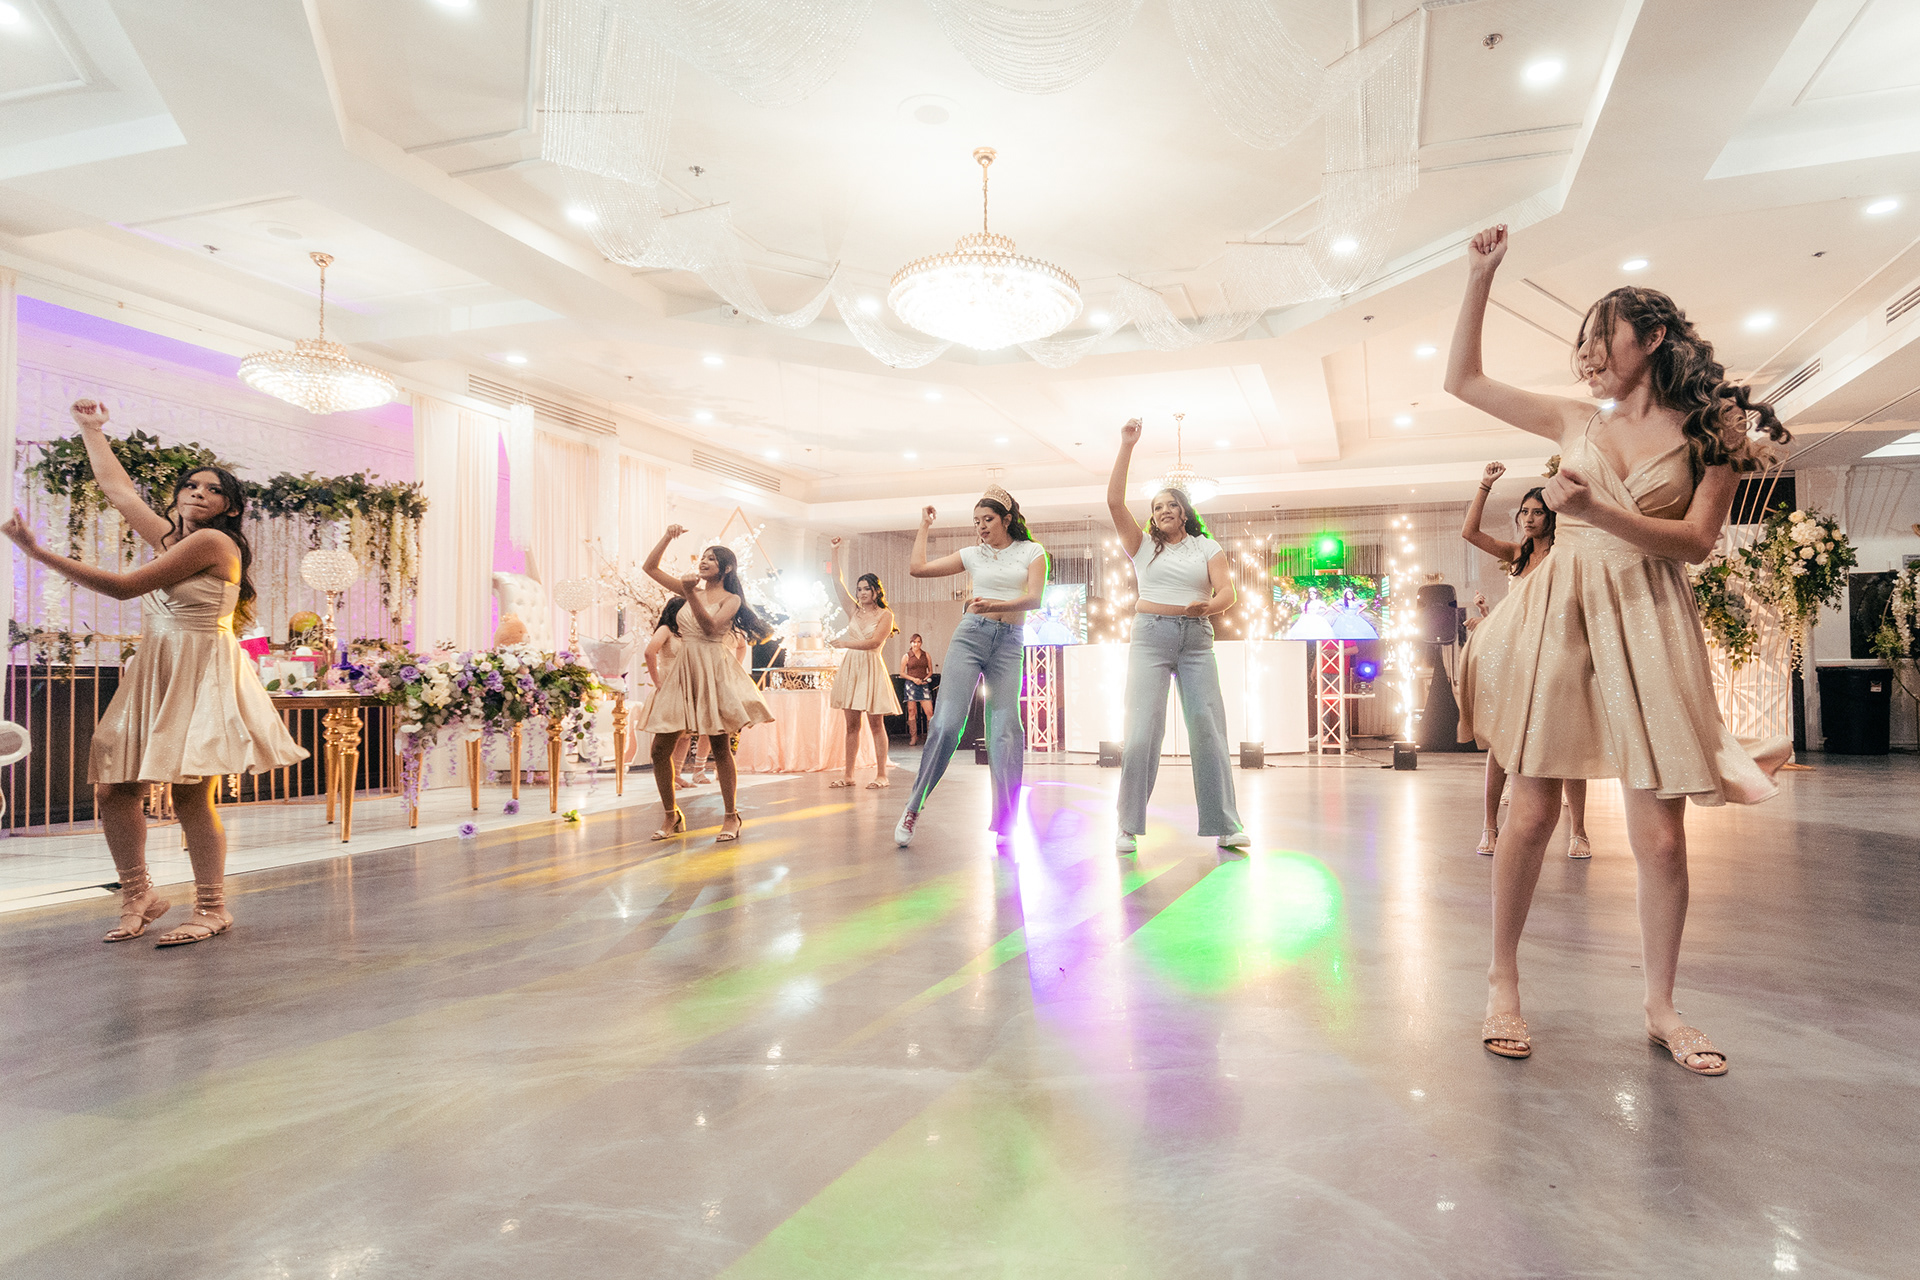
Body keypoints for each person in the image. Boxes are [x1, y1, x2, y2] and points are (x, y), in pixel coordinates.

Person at [1446, 223, 1791, 1074]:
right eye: (1581, 346)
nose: (1587, 358)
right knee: (1531, 814)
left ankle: (1662, 1006)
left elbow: (1698, 542)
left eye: (1602, 340)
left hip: (1649, 614)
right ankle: (1502, 980)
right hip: (1561, 612)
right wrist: (1480, 277)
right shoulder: (1573, 419)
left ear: (1655, 337)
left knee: (1662, 839)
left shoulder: (1714, 431)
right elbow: (1463, 380)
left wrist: (1597, 512)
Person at [1, 399, 307, 946]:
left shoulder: (212, 542)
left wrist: (36, 552)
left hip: (200, 668)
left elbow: (124, 588)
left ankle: (212, 907)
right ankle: (139, 894)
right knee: (114, 789)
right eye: (192, 485)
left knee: (190, 795)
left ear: (230, 508)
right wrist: (92, 429)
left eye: (213, 489)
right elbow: (119, 491)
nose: (198, 492)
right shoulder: (173, 538)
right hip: (158, 666)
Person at [1105, 418, 1247, 854]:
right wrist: (1127, 445)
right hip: (1150, 637)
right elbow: (1114, 501)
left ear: (1184, 511)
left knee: (1208, 729)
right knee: (1142, 732)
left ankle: (1226, 825)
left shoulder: (1207, 547)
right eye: (1157, 506)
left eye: (1171, 505)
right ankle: (1127, 825)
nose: (1163, 510)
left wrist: (1210, 607)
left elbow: (1227, 592)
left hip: (1196, 640)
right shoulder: (1142, 546)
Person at [894, 486, 1048, 847]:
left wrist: (996, 603)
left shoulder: (1032, 552)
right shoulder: (972, 554)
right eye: (976, 521)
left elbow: (1034, 599)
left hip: (1009, 643)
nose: (981, 526)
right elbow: (918, 569)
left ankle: (1006, 822)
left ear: (1007, 519)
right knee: (947, 724)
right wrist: (924, 526)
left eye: (988, 519)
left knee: (1005, 731)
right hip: (970, 637)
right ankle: (913, 806)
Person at [1458, 461, 1593, 860]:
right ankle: (1489, 825)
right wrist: (1484, 485)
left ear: (1552, 517)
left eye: (1537, 512)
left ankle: (1579, 830)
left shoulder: (1566, 555)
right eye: (1525, 512)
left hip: (1557, 654)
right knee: (1501, 741)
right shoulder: (1517, 553)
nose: (1529, 518)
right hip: (1515, 656)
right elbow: (1470, 533)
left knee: (1568, 741)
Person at [641, 528, 774, 843]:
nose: (703, 562)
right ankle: (671, 815)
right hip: (684, 669)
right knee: (659, 749)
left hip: (713, 669)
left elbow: (711, 627)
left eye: (711, 559)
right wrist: (667, 537)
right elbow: (650, 568)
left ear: (725, 568)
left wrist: (689, 593)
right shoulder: (691, 590)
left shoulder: (731, 599)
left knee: (719, 746)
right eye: (703, 557)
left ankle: (731, 816)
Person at [825, 539, 901, 789]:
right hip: (851, 669)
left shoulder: (886, 615)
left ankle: (881, 775)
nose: (862, 593)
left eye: (866, 588)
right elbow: (836, 581)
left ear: (876, 591)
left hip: (871, 668)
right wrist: (834, 551)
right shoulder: (854, 610)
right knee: (851, 725)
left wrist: (845, 643)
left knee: (876, 724)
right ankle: (848, 775)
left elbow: (874, 642)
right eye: (859, 589)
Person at [641, 599, 711, 787]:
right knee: (669, 733)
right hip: (670, 687)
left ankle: (677, 774)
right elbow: (649, 652)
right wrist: (657, 681)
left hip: (687, 686)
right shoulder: (665, 629)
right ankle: (667, 776)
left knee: (686, 733)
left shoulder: (686, 633)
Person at [900, 635, 933, 745]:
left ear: (921, 643)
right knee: (911, 711)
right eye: (914, 642)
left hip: (923, 684)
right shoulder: (906, 656)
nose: (916, 644)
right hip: (911, 685)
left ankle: (931, 737)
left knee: (929, 711)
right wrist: (914, 679)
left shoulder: (926, 655)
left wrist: (925, 679)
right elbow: (902, 673)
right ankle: (913, 736)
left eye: (918, 642)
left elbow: (930, 671)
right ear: (911, 643)